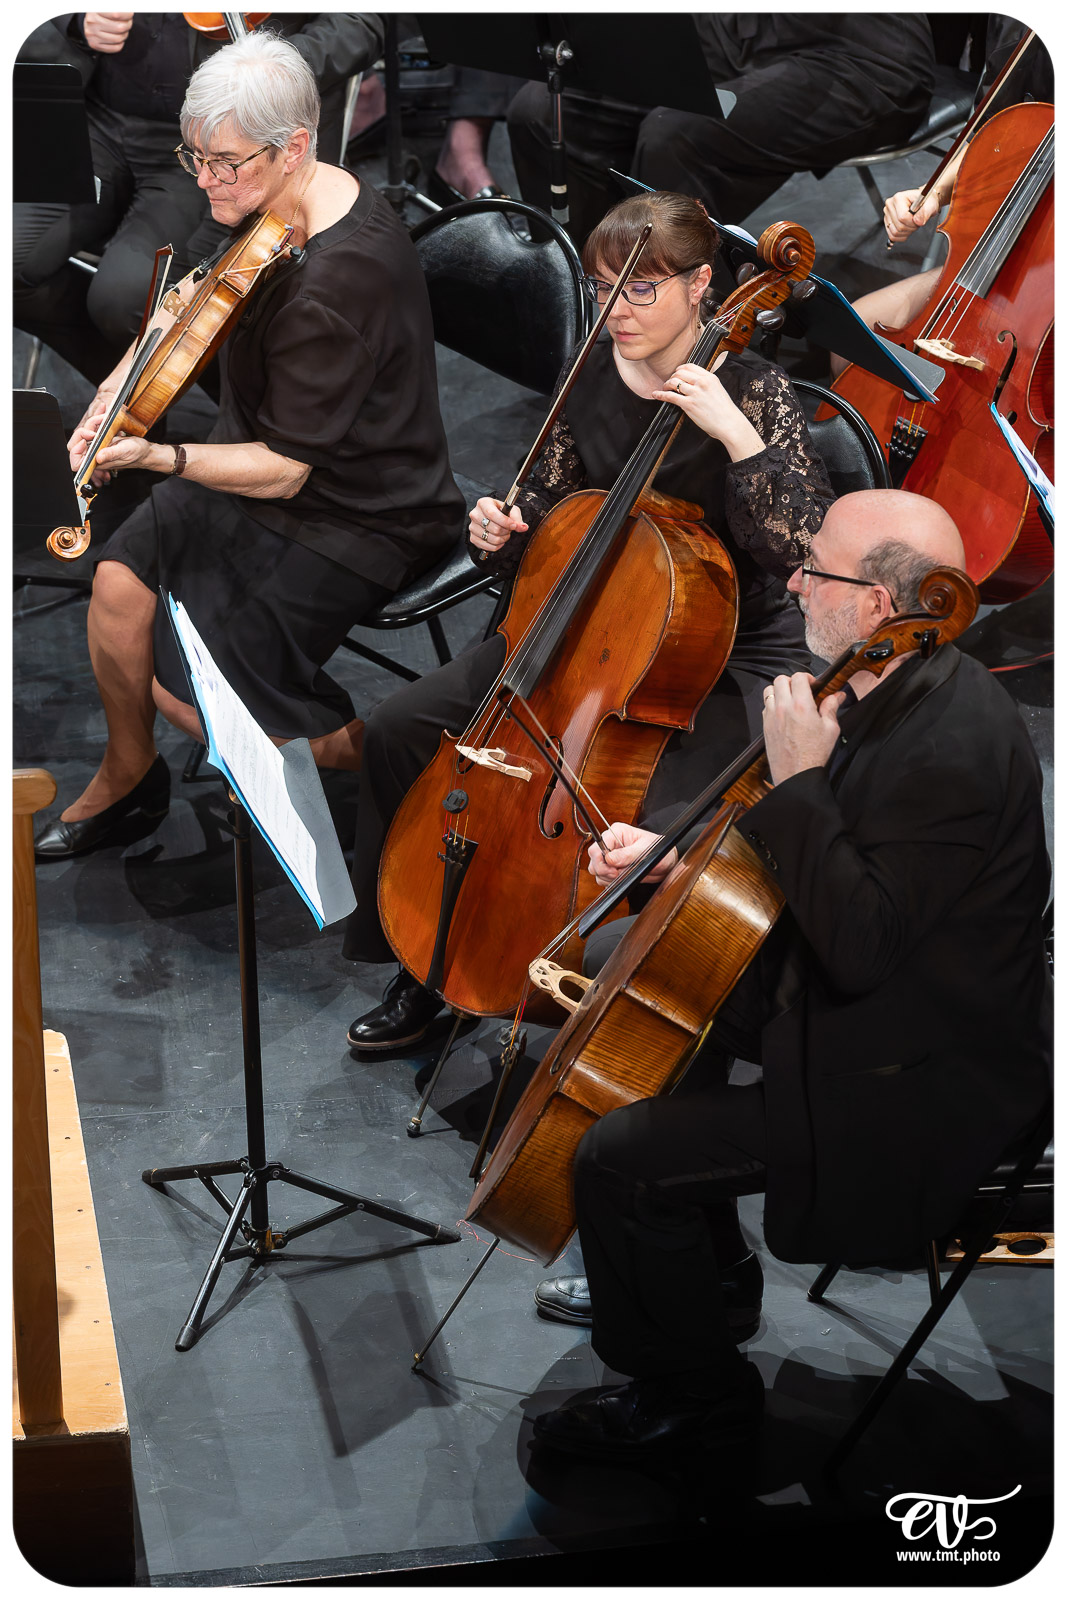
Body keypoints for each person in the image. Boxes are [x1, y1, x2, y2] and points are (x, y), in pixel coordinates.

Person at [528, 489, 1051, 1459]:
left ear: (878, 606)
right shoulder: (884, 686)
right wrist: (675, 870)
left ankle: (692, 1394)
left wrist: (802, 780)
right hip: (874, 1013)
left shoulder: (953, 744)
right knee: (663, 1013)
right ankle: (701, 1280)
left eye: (815, 568)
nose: (794, 580)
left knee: (617, 1155)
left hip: (919, 1083)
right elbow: (821, 892)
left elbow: (859, 944)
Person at [343, 190, 834, 1049]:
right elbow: (544, 510)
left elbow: (799, 544)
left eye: (640, 289)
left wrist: (734, 437)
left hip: (709, 657)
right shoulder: (591, 371)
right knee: (394, 730)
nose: (616, 311)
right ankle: (424, 958)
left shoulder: (753, 390)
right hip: (574, 624)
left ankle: (609, 1010)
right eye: (605, 287)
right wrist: (502, 531)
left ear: (699, 286)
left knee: (638, 830)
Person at [34, 31, 464, 861]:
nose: (204, 180)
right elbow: (179, 304)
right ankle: (129, 776)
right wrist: (119, 395)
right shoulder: (273, 198)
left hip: (359, 508)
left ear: (295, 145)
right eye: (193, 157)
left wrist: (159, 454)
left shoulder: (338, 284)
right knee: (119, 586)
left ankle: (403, 759)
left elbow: (288, 468)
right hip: (261, 458)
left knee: (190, 696)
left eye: (223, 162)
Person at [14, 11, 384, 386]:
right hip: (94, 118)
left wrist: (261, 71)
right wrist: (76, 18)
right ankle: (122, 396)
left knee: (125, 300)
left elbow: (360, 22)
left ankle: (141, 401)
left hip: (209, 142)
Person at [506, 14, 936, 245]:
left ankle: (685, 338)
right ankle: (589, 296)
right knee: (540, 110)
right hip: (733, 30)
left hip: (859, 51)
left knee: (674, 137)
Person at [830, 17, 1054, 376]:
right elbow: (992, 132)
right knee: (852, 341)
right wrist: (931, 194)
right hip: (1001, 252)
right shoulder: (1030, 30)